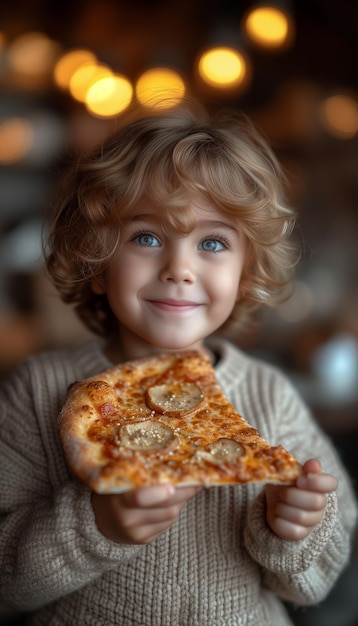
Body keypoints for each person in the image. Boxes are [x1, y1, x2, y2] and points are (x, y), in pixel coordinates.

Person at [0, 101, 356, 626]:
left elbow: (317, 578)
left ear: (245, 271)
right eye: (147, 237)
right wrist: (95, 526)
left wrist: (295, 528)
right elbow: (7, 582)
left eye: (212, 242)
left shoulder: (268, 396)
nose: (180, 269)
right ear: (97, 260)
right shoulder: (40, 389)